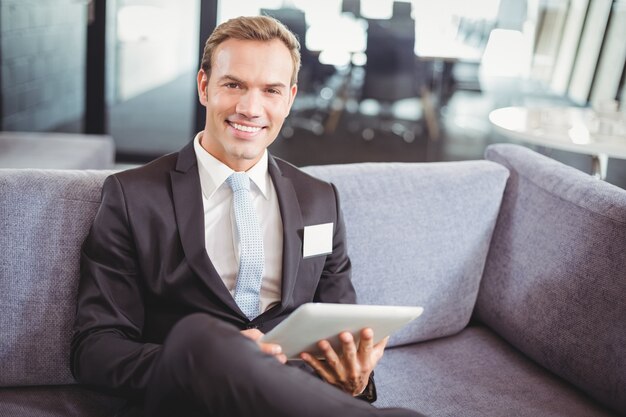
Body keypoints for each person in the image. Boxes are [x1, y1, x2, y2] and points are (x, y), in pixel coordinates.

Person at [71, 15, 425, 417]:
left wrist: (357, 381)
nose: (250, 108)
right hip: (189, 398)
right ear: (205, 86)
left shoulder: (320, 199)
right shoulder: (132, 195)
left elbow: (342, 331)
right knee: (198, 337)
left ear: (289, 99)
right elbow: (95, 348)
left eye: (270, 90)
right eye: (233, 84)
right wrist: (216, 362)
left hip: (295, 399)